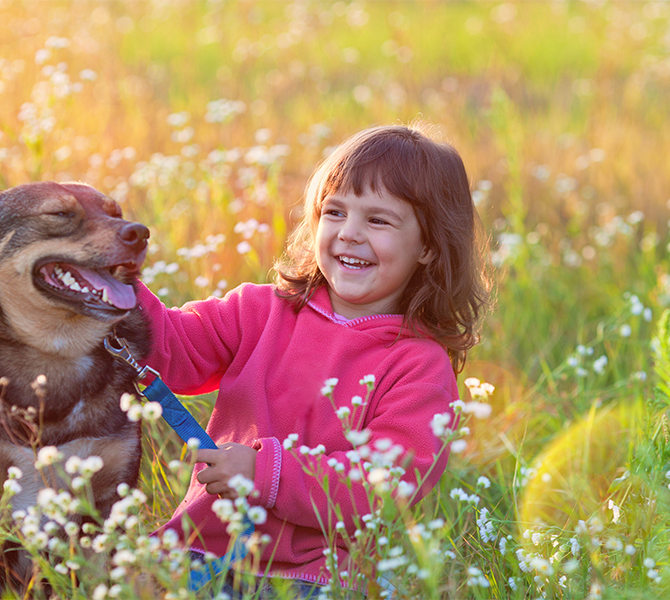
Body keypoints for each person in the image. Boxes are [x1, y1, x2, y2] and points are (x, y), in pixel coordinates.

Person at [132, 123, 490, 596]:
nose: (349, 234)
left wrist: (266, 474)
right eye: (334, 212)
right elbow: (172, 350)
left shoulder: (419, 365)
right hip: (200, 550)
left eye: (378, 220)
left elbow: (386, 487)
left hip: (313, 575)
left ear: (427, 245)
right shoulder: (260, 310)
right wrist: (113, 284)